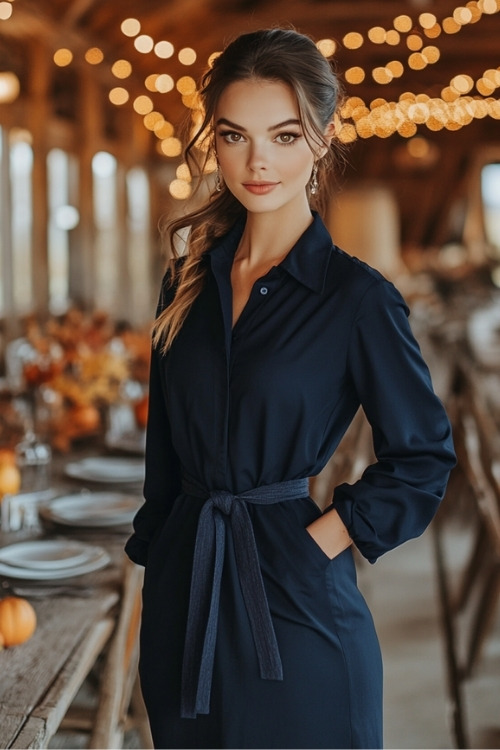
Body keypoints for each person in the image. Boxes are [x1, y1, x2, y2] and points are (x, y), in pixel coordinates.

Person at [125, 27, 456, 749]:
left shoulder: (357, 299)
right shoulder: (183, 282)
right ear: (212, 140)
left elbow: (423, 459)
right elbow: (164, 451)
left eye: (282, 134)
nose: (257, 161)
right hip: (184, 607)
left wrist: (321, 542)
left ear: (322, 137)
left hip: (295, 607)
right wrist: (157, 554)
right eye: (235, 135)